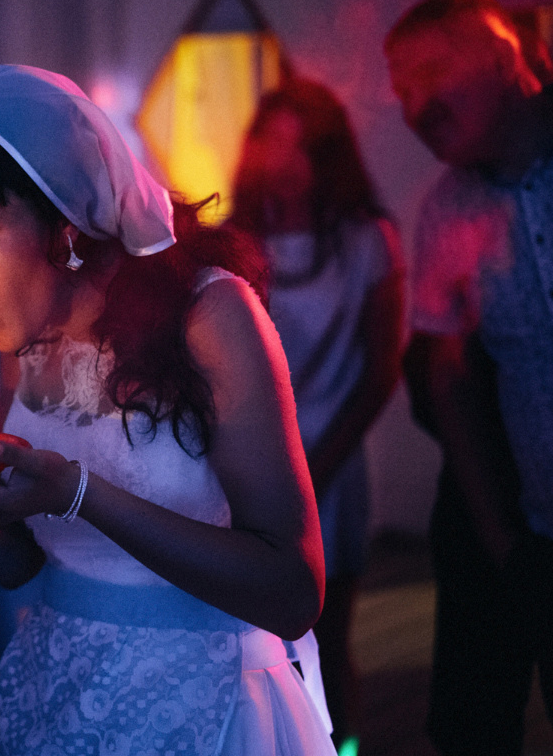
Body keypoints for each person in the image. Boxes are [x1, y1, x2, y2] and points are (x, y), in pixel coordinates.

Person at [0, 64, 335, 755]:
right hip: (60, 688)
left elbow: (292, 589)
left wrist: (78, 493)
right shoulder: (31, 330)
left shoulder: (210, 314)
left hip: (200, 699)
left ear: (63, 219)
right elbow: (22, 564)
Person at [385, 0, 553, 755]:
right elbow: (449, 380)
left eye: (432, 70)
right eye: (400, 89)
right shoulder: (445, 212)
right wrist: (502, 539)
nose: (413, 104)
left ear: (509, 54)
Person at [226, 76, 405, 752]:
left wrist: (321, 462)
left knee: (329, 635)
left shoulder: (367, 242)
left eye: (300, 150)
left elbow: (382, 369)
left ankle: (340, 745)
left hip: (335, 457)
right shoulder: (233, 240)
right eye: (271, 145)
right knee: (253, 640)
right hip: (247, 464)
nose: (282, 164)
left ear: (327, 158)